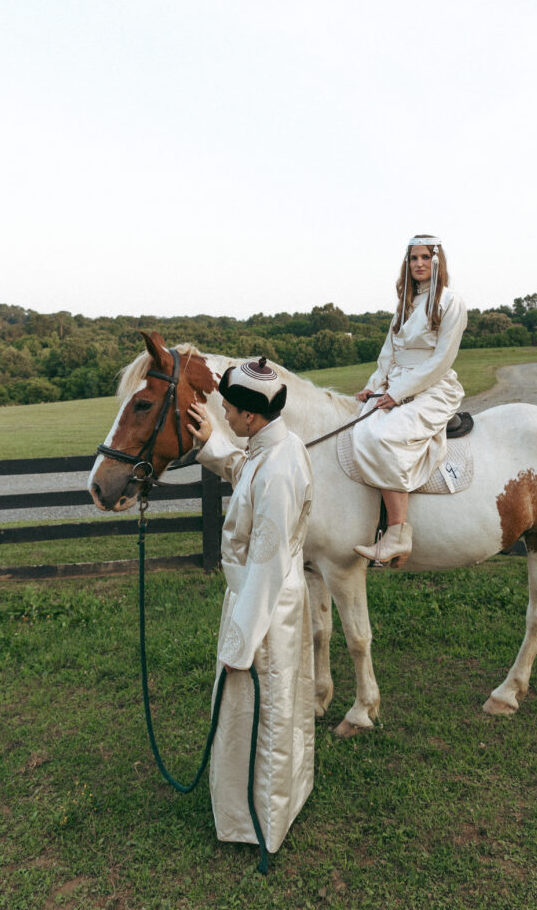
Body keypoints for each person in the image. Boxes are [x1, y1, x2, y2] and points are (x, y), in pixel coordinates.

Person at [187, 357, 315, 856]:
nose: (222, 409)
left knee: (263, 709)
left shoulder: (280, 468)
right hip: (264, 600)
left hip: (264, 609)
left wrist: (238, 645)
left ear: (251, 416)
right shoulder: (277, 445)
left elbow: (265, 563)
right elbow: (245, 470)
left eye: (228, 408)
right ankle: (274, 803)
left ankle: (260, 820)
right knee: (277, 705)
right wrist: (210, 442)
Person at [353, 235, 467, 567]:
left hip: (432, 388)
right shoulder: (405, 305)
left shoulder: (450, 302)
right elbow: (389, 354)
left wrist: (399, 394)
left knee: (386, 435)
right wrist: (373, 387)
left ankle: (398, 533)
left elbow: (441, 360)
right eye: (412, 258)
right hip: (397, 384)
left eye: (424, 258)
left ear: (436, 261)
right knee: (361, 428)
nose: (418, 264)